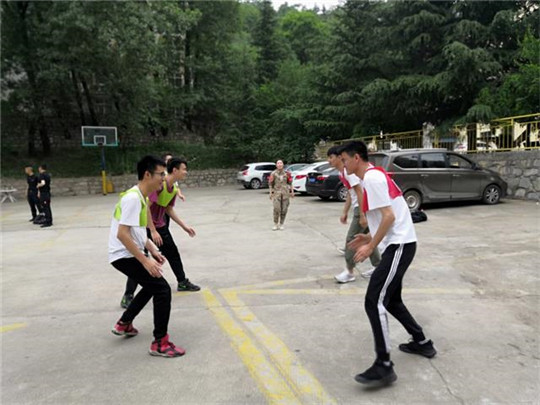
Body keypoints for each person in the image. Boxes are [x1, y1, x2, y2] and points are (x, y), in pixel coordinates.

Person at [341, 141, 436, 387]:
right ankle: (422, 343)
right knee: (392, 300)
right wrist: (369, 236)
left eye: (344, 160)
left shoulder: (371, 179)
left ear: (357, 158)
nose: (343, 165)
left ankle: (384, 365)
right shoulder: (371, 177)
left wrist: (371, 247)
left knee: (374, 300)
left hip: (400, 245)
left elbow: (389, 216)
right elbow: (390, 215)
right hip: (399, 243)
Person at [110, 155, 185, 357]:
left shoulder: (140, 197)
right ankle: (160, 343)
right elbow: (122, 234)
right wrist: (145, 261)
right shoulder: (133, 199)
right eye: (161, 174)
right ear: (147, 174)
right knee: (162, 290)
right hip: (122, 254)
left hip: (127, 251)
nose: (163, 178)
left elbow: (137, 232)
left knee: (153, 286)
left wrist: (153, 250)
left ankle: (124, 323)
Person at [120, 157, 200, 308]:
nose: (186, 172)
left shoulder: (174, 189)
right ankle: (128, 295)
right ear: (175, 170)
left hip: (160, 227)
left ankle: (182, 282)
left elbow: (168, 209)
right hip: (146, 227)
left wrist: (184, 226)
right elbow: (147, 208)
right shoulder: (159, 186)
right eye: (183, 169)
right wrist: (153, 230)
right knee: (141, 261)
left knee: (173, 253)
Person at [326, 146, 380, 283]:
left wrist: (362, 214)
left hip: (363, 207)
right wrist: (344, 211)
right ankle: (379, 267)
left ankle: (349, 271)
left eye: (331, 157)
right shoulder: (343, 172)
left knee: (351, 239)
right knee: (366, 238)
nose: (328, 161)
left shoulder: (348, 171)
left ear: (339, 158)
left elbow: (360, 191)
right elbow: (352, 194)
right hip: (363, 207)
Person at [269, 160, 294, 230]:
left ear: (283, 165)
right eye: (278, 163)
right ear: (276, 165)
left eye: (281, 163)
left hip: (285, 194)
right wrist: (270, 193)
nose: (279, 164)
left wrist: (292, 192)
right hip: (277, 194)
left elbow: (290, 183)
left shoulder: (287, 174)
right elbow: (270, 184)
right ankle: (275, 223)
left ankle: (281, 223)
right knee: (277, 209)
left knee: (284, 209)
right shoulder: (273, 174)